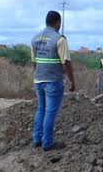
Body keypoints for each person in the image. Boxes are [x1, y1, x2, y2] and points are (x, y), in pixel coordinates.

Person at [31, 10, 75, 151]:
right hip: (53, 81)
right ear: (58, 22)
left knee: (41, 110)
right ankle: (48, 143)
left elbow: (34, 62)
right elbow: (66, 62)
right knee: (50, 112)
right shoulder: (59, 39)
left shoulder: (35, 38)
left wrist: (38, 76)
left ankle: (37, 139)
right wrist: (72, 80)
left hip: (39, 80)